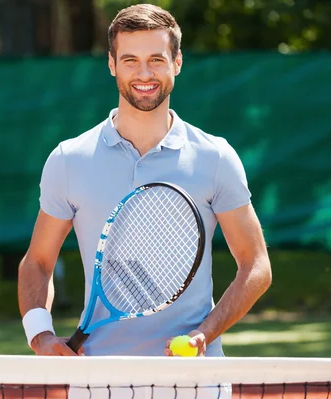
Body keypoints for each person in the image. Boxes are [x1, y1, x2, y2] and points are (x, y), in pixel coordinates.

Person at [17, 3, 272, 358]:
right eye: (130, 60)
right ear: (111, 64)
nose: (144, 73)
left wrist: (205, 333)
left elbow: (256, 264)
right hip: (98, 377)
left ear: (177, 63)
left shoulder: (215, 157)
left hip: (194, 376)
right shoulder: (68, 159)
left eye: (156, 59)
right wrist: (41, 335)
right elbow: (38, 262)